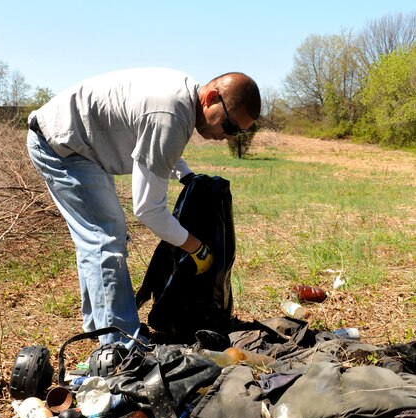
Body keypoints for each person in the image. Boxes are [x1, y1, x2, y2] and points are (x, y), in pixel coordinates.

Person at [26, 68, 261, 346]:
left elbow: (157, 145)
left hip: (81, 147)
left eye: (239, 133)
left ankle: (100, 327)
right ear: (210, 98)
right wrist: (195, 246)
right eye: (230, 127)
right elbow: (148, 210)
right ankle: (120, 343)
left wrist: (185, 175)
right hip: (60, 145)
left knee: (98, 238)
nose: (229, 137)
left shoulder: (183, 100)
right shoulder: (172, 114)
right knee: (105, 238)